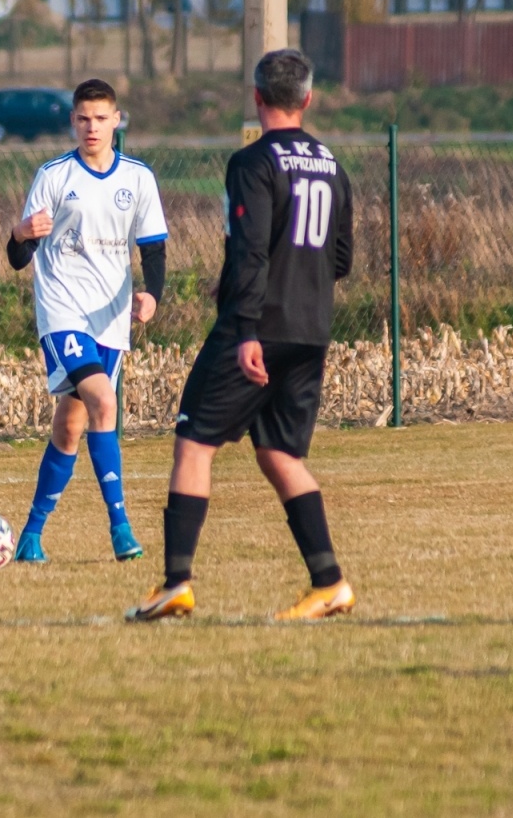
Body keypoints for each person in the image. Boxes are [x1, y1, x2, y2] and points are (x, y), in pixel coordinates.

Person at [125, 48, 355, 622]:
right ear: (308, 99)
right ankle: (330, 583)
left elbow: (250, 252)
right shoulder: (332, 163)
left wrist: (248, 328)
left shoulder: (252, 162)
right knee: (279, 453)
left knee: (193, 442)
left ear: (256, 97)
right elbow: (341, 259)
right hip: (310, 328)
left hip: (255, 329)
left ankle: (176, 583)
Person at [6, 78, 168, 563]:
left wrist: (152, 295)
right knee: (103, 400)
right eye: (83, 118)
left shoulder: (137, 178)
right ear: (72, 122)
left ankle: (31, 536)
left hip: (110, 319)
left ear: (117, 120)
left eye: (100, 118)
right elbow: (19, 256)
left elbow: (154, 249)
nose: (91, 127)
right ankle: (121, 528)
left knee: (70, 426)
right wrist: (19, 233)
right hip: (62, 311)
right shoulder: (54, 176)